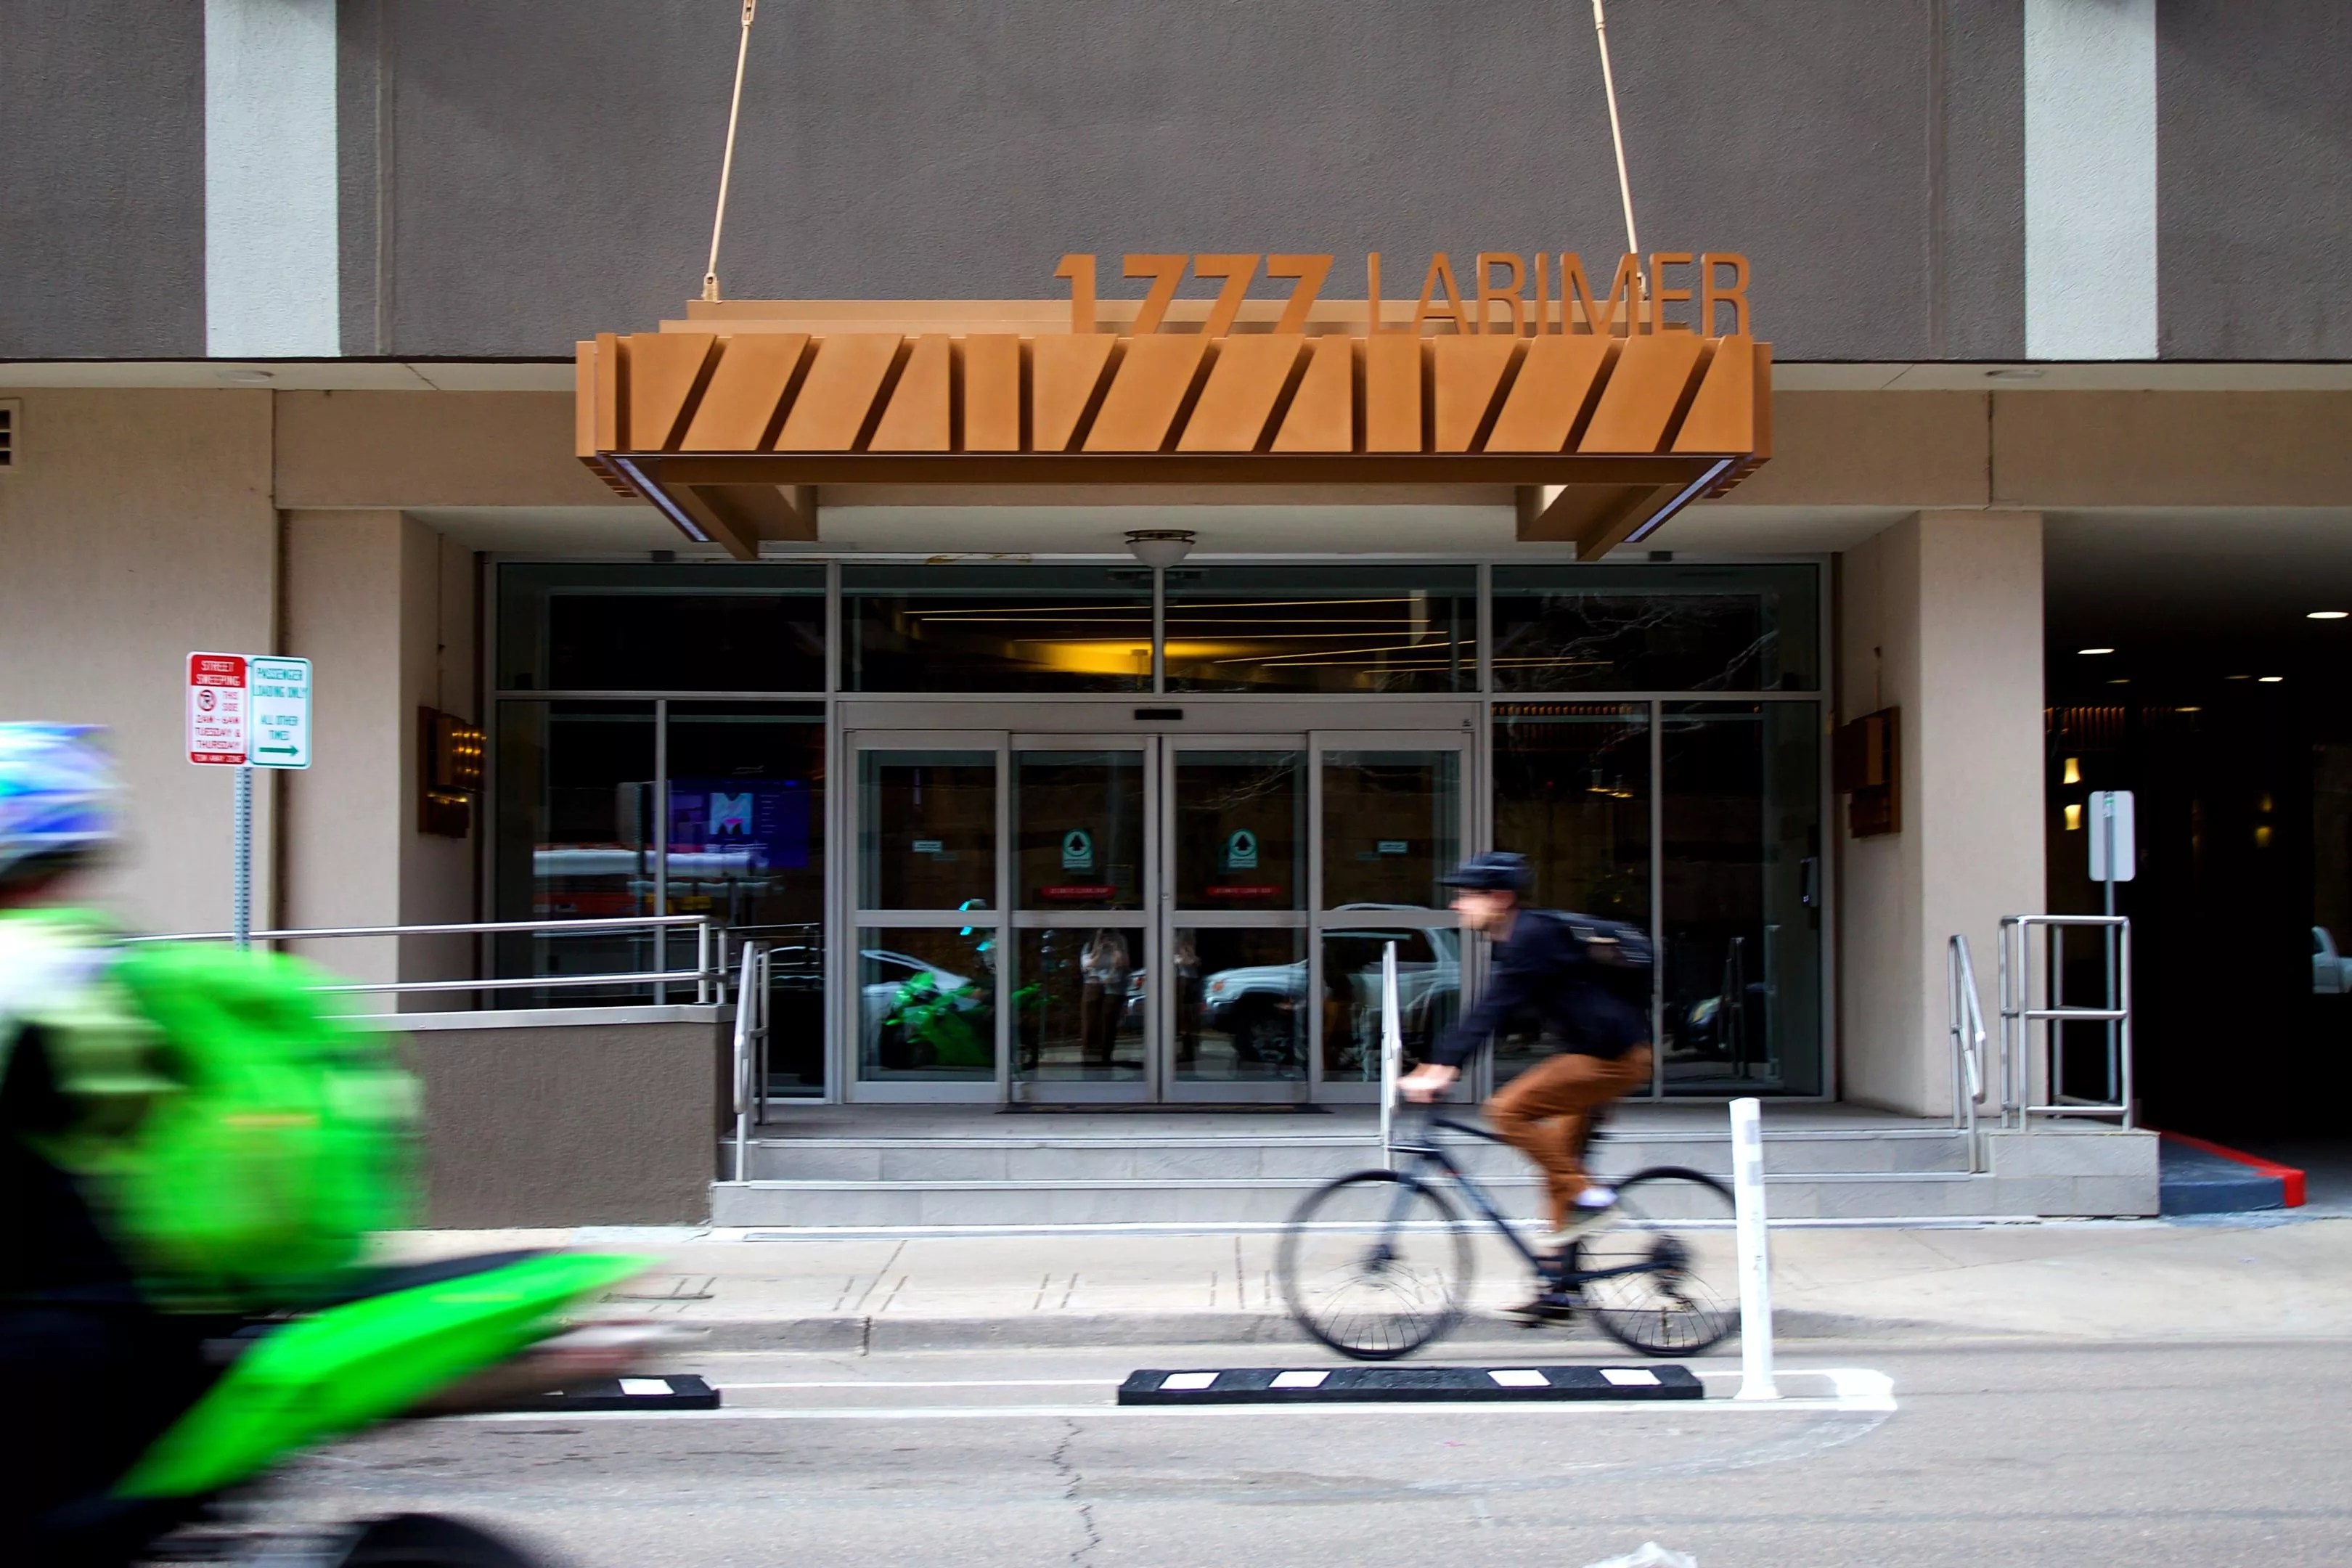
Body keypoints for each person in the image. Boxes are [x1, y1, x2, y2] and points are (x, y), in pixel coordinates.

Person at [1397, 851, 1653, 1324]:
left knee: (1505, 1110)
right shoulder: (1520, 939)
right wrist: (1442, 1063)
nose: (1457, 906)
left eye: (1465, 896)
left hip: (1611, 1059)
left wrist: (1440, 1067)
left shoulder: (1533, 936)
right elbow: (1507, 1005)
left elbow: (1491, 1007)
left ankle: (1592, 1200)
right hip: (1599, 1055)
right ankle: (1559, 1288)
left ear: (1499, 897)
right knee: (1555, 1163)